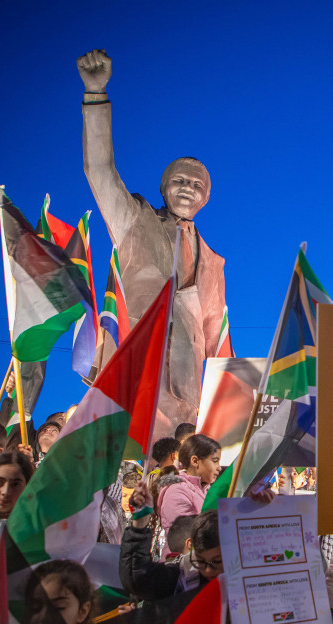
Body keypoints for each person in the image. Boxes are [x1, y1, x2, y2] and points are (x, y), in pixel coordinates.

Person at [78, 49, 227, 435]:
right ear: (164, 187)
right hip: (139, 359)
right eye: (179, 181)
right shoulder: (135, 221)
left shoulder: (213, 261)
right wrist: (96, 95)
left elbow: (217, 337)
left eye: (198, 186)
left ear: (206, 198)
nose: (188, 189)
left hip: (191, 383)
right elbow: (100, 171)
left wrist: (226, 396)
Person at [156, 434, 223, 559]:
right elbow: (184, 534)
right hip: (182, 566)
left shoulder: (207, 489)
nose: (219, 467)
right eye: (214, 461)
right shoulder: (177, 491)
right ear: (195, 461)